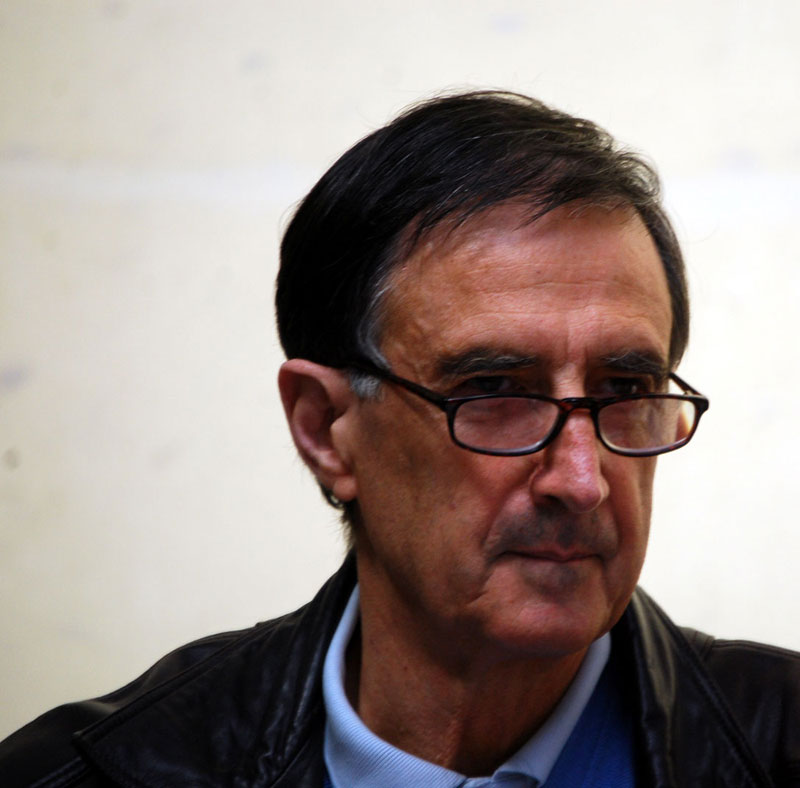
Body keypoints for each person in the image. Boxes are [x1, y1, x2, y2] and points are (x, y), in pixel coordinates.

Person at [1, 90, 798, 787]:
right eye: (495, 391)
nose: (582, 480)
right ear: (325, 428)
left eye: (625, 391)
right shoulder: (97, 772)